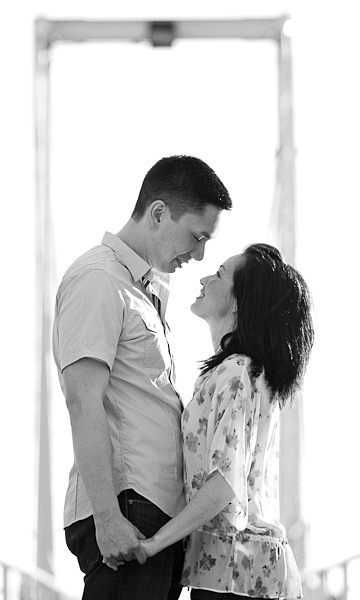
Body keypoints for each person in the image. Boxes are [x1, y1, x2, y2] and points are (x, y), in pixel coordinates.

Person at [54, 155, 231, 600]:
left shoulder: (143, 291)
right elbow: (83, 401)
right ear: (157, 213)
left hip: (155, 518)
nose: (199, 254)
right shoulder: (100, 280)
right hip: (127, 513)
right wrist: (108, 519)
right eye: (196, 236)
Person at [124, 243, 314, 599]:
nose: (205, 278)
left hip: (237, 572)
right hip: (233, 570)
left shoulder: (237, 371)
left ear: (240, 301)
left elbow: (224, 484)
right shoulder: (239, 372)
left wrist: (154, 544)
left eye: (221, 274)